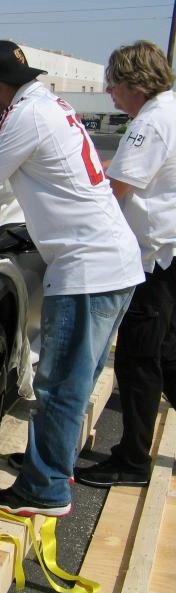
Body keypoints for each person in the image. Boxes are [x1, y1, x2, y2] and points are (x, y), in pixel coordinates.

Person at [0, 39, 145, 517]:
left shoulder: (24, 116)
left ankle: (44, 491)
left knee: (61, 385)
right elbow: (1, 175)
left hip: (87, 269)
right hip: (114, 263)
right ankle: (54, 466)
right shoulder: (49, 105)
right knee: (76, 381)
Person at [74, 41, 176, 488]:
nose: (110, 93)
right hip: (172, 253)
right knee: (169, 356)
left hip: (153, 259)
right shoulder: (168, 111)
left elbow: (116, 189)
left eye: (114, 84)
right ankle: (132, 453)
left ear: (136, 84)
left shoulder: (149, 123)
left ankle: (132, 460)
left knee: (138, 360)